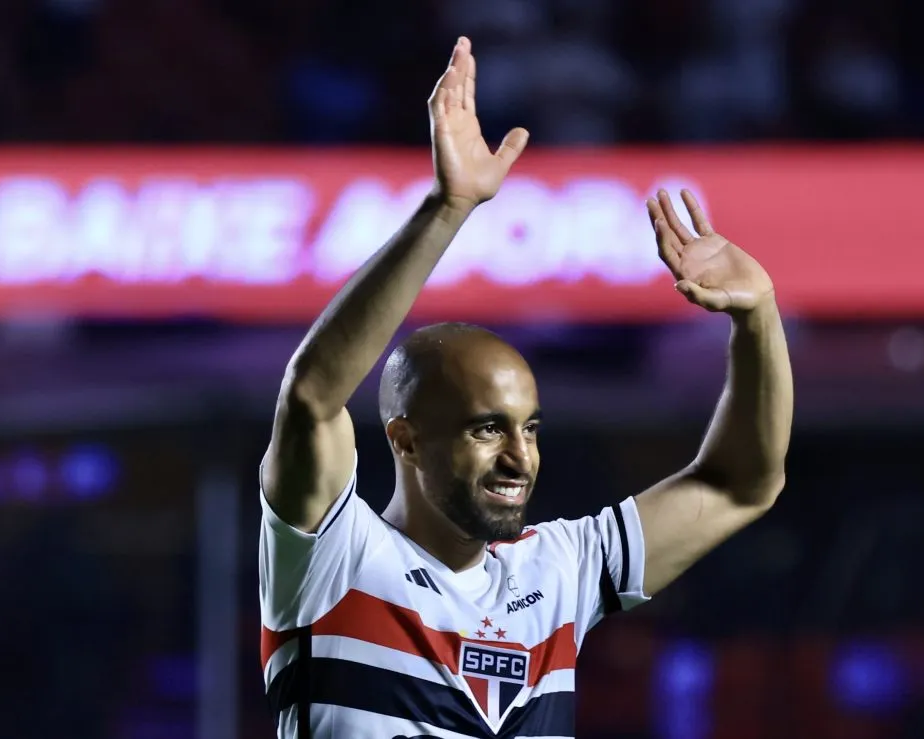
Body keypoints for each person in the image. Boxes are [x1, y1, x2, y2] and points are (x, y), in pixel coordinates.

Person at [258, 36, 793, 739]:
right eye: (487, 427)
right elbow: (311, 397)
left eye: (530, 428)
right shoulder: (332, 558)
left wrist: (757, 317)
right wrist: (447, 209)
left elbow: (741, 485)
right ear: (406, 439)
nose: (520, 456)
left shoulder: (558, 570)